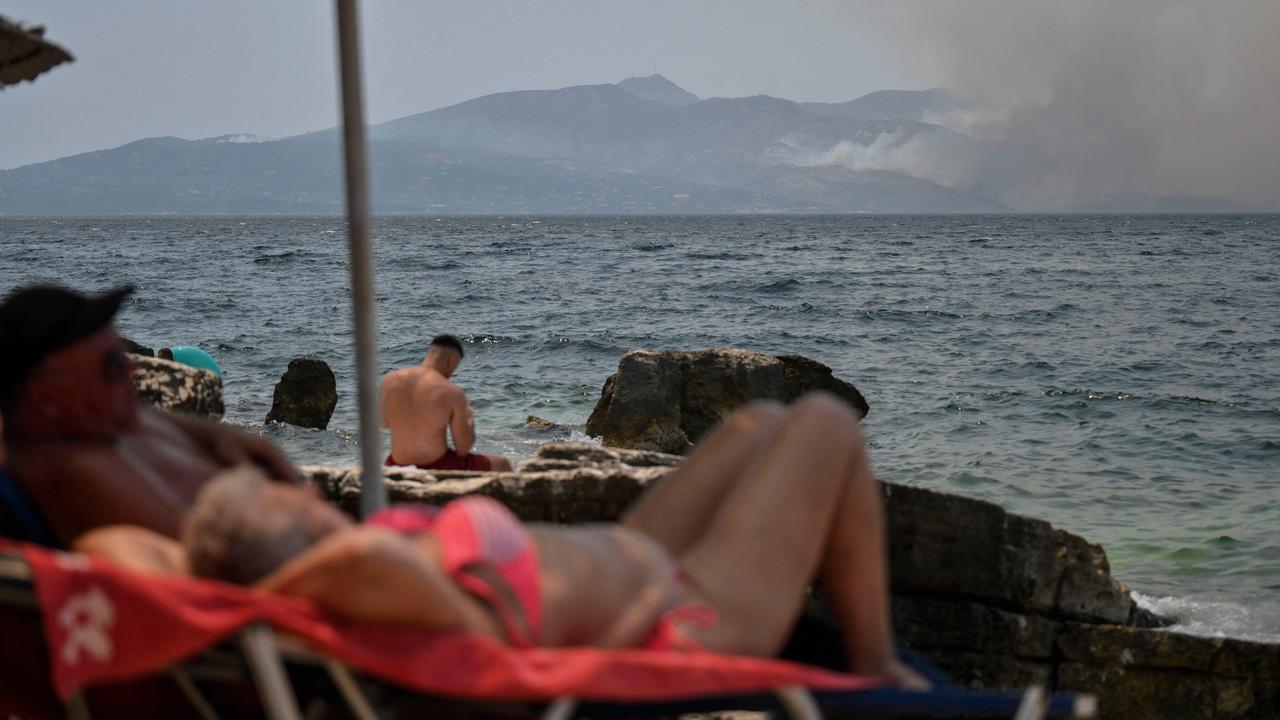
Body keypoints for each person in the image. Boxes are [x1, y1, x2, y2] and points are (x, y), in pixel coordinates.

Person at [179, 394, 925, 686]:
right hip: (685, 614)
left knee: (759, 424)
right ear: (296, 541)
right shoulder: (369, 575)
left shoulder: (380, 567)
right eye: (290, 501)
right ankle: (874, 669)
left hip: (637, 555)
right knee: (826, 422)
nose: (305, 493)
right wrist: (245, 602)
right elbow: (357, 557)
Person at [0, 284, 300, 546]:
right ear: (46, 400)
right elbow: (218, 563)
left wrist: (226, 438)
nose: (133, 370)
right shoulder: (77, 474)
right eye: (114, 364)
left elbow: (231, 439)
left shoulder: (110, 421)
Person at [380, 334, 512, 472]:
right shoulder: (452, 392)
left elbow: (383, 423)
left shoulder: (390, 381)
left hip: (395, 463)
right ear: (451, 361)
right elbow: (463, 448)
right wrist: (469, 418)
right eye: (455, 367)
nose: (451, 374)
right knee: (502, 464)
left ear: (430, 353)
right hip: (439, 465)